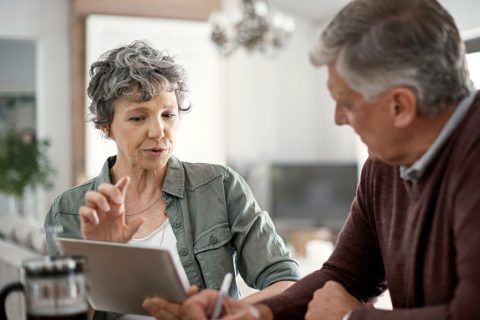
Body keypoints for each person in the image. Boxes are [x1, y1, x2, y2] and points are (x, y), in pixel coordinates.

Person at [173, 0, 480, 319]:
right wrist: (258, 312)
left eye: (346, 103)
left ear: (400, 106)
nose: (338, 118)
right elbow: (346, 276)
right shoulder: (384, 164)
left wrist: (350, 318)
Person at [44, 40, 300, 319]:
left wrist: (223, 316)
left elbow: (287, 282)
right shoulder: (68, 211)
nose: (158, 131)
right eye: (138, 118)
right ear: (106, 127)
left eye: (168, 115)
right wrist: (101, 257)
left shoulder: (220, 186)